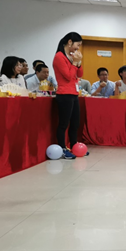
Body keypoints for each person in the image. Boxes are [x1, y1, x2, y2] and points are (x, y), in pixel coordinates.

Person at [53, 31, 87, 160]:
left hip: (73, 93)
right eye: (78, 45)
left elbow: (80, 74)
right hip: (64, 94)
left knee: (75, 123)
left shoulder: (71, 56)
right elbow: (67, 76)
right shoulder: (59, 56)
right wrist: (74, 64)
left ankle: (74, 146)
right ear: (69, 42)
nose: (78, 48)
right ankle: (62, 148)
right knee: (64, 123)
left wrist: (79, 62)